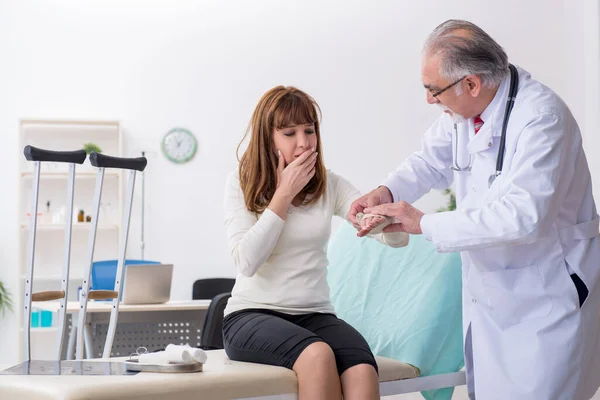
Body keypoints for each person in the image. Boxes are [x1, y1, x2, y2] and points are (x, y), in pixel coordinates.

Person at [349, 19, 600, 400]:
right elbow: (428, 161)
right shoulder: (463, 115)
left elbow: (523, 216)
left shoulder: (542, 118)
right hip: (493, 301)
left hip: (545, 298)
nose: (430, 100)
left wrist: (424, 223)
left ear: (471, 83)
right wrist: (387, 191)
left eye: (433, 90)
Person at [222, 85, 408, 400]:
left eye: (309, 130)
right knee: (317, 355)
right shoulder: (241, 183)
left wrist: (382, 221)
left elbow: (396, 239)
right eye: (290, 133)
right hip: (251, 314)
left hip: (316, 315)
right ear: (269, 137)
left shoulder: (329, 184)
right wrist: (283, 194)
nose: (304, 142)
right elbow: (246, 261)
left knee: (362, 368)